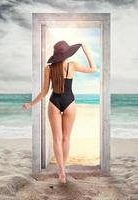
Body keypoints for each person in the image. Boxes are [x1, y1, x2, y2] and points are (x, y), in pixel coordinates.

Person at [23, 40, 96, 183]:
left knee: (56, 139)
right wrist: (86, 52)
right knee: (66, 138)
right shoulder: (72, 65)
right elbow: (93, 69)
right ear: (67, 54)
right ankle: (63, 170)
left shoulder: (48, 69)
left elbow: (44, 92)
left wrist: (31, 104)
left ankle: (61, 172)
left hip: (54, 103)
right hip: (70, 103)